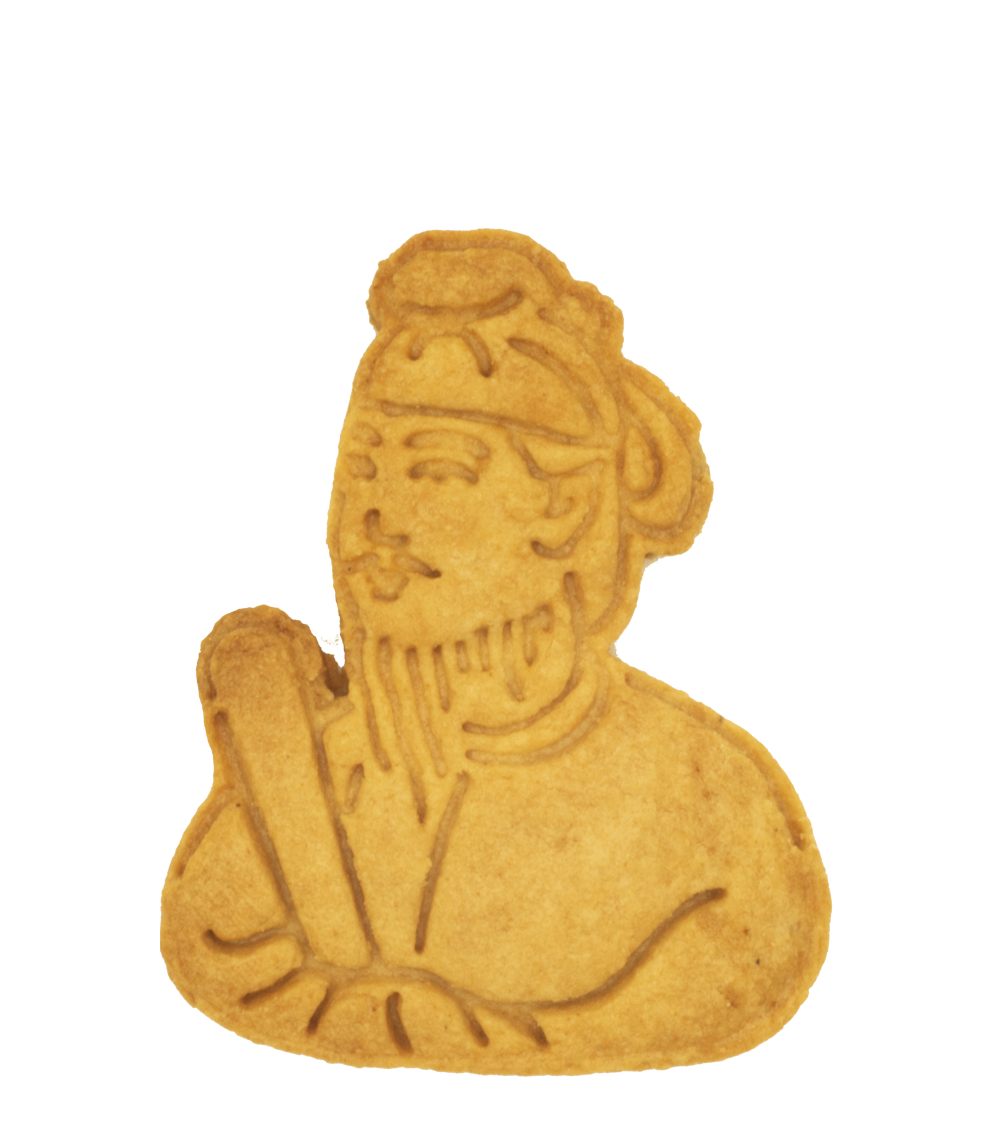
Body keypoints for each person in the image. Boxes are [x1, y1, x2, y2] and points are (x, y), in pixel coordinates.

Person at [162, 232, 829, 1068]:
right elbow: (212, 947)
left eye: (435, 471)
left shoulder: (712, 818)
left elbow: (730, 980)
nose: (374, 517)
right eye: (362, 470)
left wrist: (422, 1021)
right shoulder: (301, 785)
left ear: (565, 509)